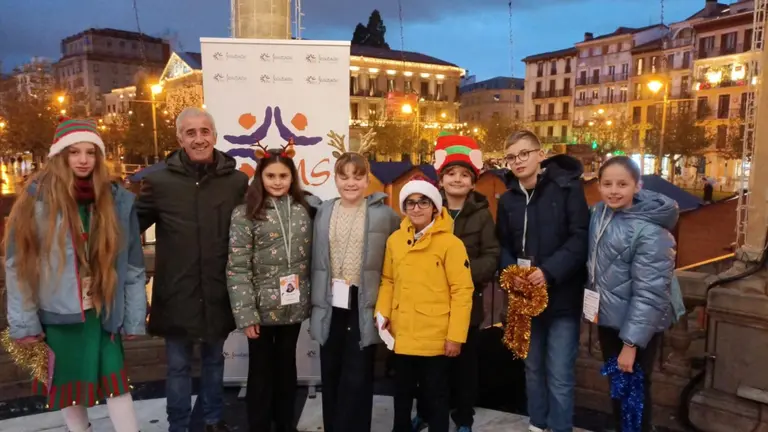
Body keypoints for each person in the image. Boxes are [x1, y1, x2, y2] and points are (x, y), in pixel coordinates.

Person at [4, 118, 146, 432]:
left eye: (90, 152)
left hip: (103, 311)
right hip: (59, 314)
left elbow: (134, 266)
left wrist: (135, 316)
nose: (83, 160)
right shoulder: (35, 201)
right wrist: (24, 323)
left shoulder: (117, 200)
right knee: (69, 388)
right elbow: (17, 268)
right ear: (60, 156)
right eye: (74, 152)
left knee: (116, 383)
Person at [136, 107, 249, 432]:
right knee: (178, 367)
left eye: (204, 131)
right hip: (176, 292)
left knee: (215, 361)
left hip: (216, 289)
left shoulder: (237, 181)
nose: (199, 138)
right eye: (191, 133)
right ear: (179, 139)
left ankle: (213, 420)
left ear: (214, 135)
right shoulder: (158, 182)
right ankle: (179, 426)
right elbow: (129, 228)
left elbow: (251, 229)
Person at [496, 130, 590, 432]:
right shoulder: (508, 199)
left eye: (524, 154)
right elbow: (502, 244)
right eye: (511, 157)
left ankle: (560, 427)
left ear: (540, 154)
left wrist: (548, 272)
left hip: (562, 298)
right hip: (524, 301)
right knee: (533, 368)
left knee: (560, 373)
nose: (518, 161)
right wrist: (512, 271)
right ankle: (537, 424)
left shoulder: (567, 189)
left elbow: (580, 238)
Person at [227, 145, 318, 432]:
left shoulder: (305, 209)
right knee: (261, 372)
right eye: (271, 176)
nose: (277, 181)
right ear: (260, 178)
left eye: (283, 176)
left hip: (292, 306)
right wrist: (247, 315)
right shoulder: (246, 213)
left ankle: (285, 424)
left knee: (287, 369)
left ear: (292, 178)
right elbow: (238, 266)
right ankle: (259, 425)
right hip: (260, 310)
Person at [412, 135, 500, 432]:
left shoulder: (481, 215)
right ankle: (425, 411)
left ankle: (463, 417)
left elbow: (491, 255)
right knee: (429, 366)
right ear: (441, 179)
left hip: (466, 304)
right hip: (430, 304)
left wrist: (461, 275)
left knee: (464, 366)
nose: (457, 179)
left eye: (464, 175)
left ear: (473, 182)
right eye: (451, 174)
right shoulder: (429, 211)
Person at [309, 152, 401, 432]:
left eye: (358, 176)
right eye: (344, 176)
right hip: (329, 303)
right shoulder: (323, 210)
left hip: (364, 303)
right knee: (332, 370)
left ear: (367, 179)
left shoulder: (385, 215)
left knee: (358, 375)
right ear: (335, 179)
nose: (351, 182)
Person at [376, 176, 474, 432]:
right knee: (402, 397)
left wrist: (455, 336)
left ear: (434, 207)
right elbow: (388, 280)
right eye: (410, 203)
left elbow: (463, 291)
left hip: (436, 338)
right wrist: (383, 313)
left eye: (423, 202)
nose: (416, 208)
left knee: (436, 398)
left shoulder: (451, 244)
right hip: (403, 334)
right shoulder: (395, 241)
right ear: (404, 208)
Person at [588, 156, 677, 432]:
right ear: (599, 186)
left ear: (637, 186)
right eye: (607, 184)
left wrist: (631, 343)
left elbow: (651, 292)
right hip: (609, 318)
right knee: (620, 391)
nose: (614, 190)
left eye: (622, 184)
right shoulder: (599, 214)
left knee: (634, 395)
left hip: (636, 328)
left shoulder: (650, 230)